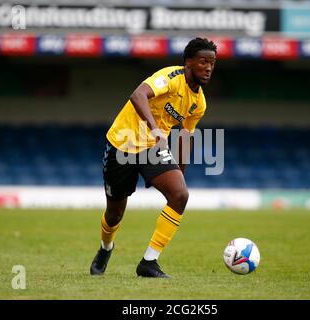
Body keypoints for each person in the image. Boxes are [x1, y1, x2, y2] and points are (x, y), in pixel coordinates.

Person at [90, 37, 217, 278]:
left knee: (180, 195)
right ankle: (106, 248)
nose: (209, 67)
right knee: (114, 213)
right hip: (122, 143)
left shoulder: (198, 103)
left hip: (153, 149)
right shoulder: (170, 77)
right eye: (203, 62)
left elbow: (185, 137)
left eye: (212, 63)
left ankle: (149, 263)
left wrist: (178, 172)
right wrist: (155, 129)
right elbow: (138, 95)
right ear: (188, 62)